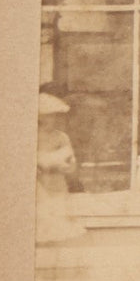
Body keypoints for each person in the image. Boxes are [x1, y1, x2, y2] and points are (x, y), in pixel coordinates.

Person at [36, 92, 85, 244]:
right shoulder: (32, 137)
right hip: (40, 187)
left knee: (59, 225)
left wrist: (67, 165)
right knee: (41, 223)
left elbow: (71, 163)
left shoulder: (61, 137)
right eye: (48, 116)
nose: (52, 119)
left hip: (57, 185)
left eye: (54, 115)